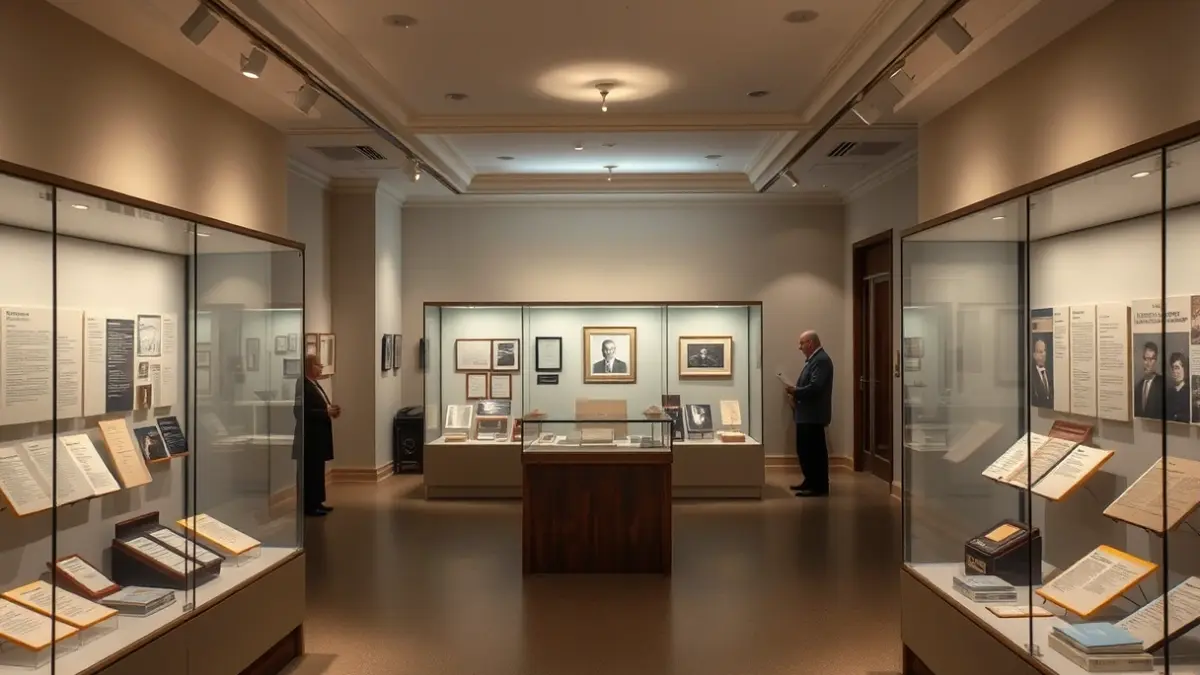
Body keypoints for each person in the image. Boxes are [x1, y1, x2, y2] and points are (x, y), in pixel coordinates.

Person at [785, 330, 834, 497]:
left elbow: (816, 387)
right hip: (806, 414)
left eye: (801, 343)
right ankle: (810, 480)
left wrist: (796, 391)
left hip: (813, 415)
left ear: (810, 343)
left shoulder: (821, 361)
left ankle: (818, 486)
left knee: (814, 452)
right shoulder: (814, 360)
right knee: (805, 450)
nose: (800, 347)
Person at [294, 354, 340, 516]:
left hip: (318, 436)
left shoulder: (314, 383)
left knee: (318, 471)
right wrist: (325, 411)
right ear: (309, 366)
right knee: (310, 472)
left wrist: (329, 410)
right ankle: (309, 506)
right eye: (318, 364)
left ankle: (317, 501)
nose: (321, 367)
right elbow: (300, 411)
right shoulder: (303, 384)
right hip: (309, 438)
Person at [1134, 341, 1164, 419]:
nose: (1147, 363)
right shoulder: (1138, 386)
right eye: (1145, 359)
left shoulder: (1162, 384)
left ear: (1156, 361)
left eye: (1151, 359)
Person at [1166, 352, 1190, 422]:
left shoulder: (1189, 392)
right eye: (1173, 368)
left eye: (1177, 368)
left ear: (1184, 369)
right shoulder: (1168, 393)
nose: (1175, 371)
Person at [1030, 338, 1053, 407]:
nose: (1042, 355)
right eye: (1039, 352)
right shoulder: (1031, 376)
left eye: (1044, 351)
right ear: (1034, 355)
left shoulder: (1049, 375)